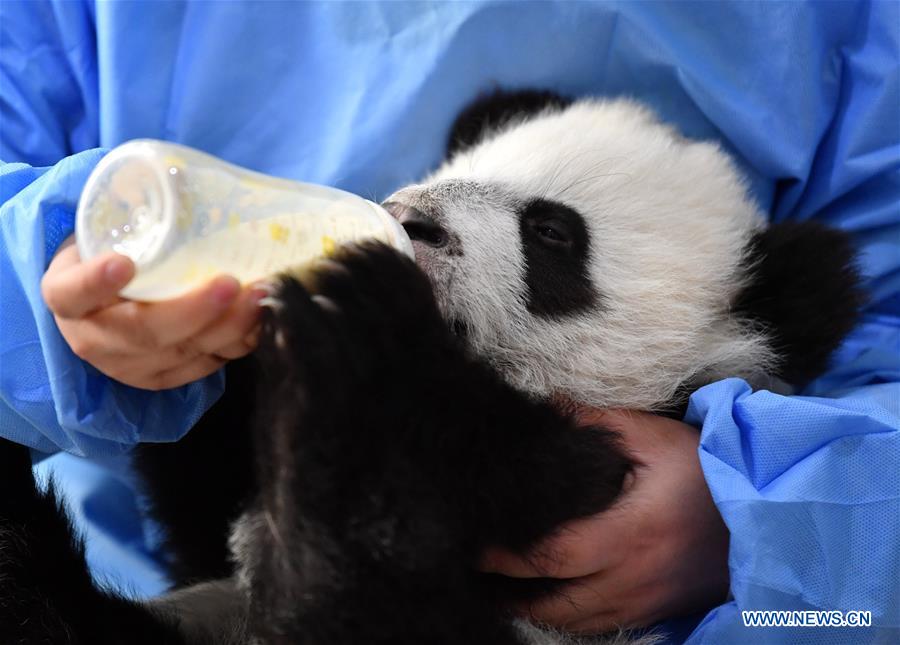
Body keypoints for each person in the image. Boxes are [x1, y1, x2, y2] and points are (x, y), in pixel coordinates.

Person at [1, 1, 898, 643]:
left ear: (749, 320)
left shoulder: (854, 37)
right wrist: (81, 290)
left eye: (551, 234)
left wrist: (758, 518)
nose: (416, 208)